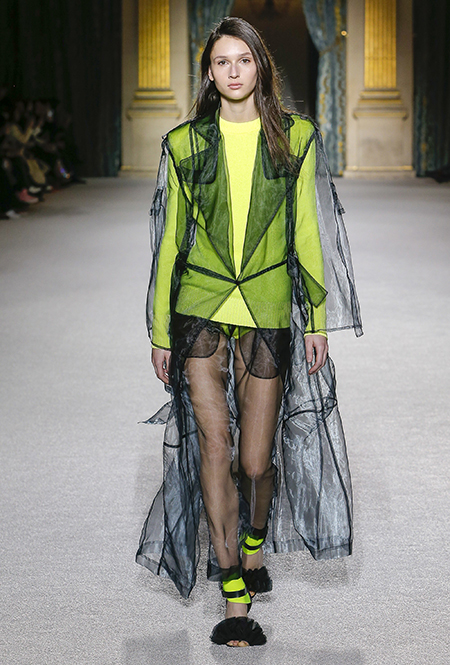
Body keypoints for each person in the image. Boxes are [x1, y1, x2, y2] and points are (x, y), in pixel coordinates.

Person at [136, 16, 362, 647]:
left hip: (265, 302)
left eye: (244, 60)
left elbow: (307, 230)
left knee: (257, 461)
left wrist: (316, 319)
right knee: (215, 446)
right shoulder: (184, 144)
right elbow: (170, 242)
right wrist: (159, 330)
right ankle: (234, 593)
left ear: (261, 66)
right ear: (208, 74)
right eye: (221, 62)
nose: (233, 72)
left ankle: (255, 540)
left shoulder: (295, 136)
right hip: (199, 304)